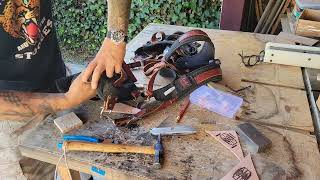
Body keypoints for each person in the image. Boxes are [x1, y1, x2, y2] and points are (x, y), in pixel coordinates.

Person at [0, 0, 131, 179]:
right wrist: (67, 100)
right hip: (12, 118)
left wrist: (115, 38)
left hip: (58, 82)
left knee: (79, 166)